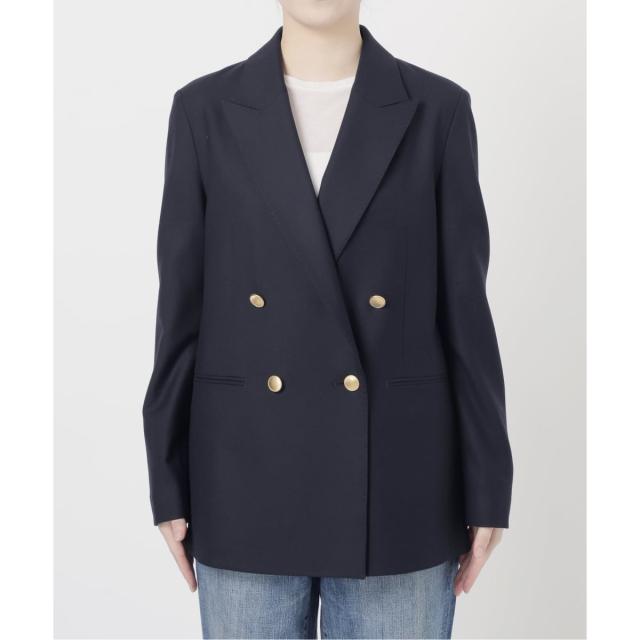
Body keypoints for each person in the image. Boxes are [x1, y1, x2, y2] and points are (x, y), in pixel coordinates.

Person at [142, 1, 513, 637]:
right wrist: (167, 480)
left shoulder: (438, 110)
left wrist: (488, 486)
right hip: (244, 478)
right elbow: (180, 312)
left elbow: (466, 317)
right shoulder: (204, 111)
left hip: (399, 486)